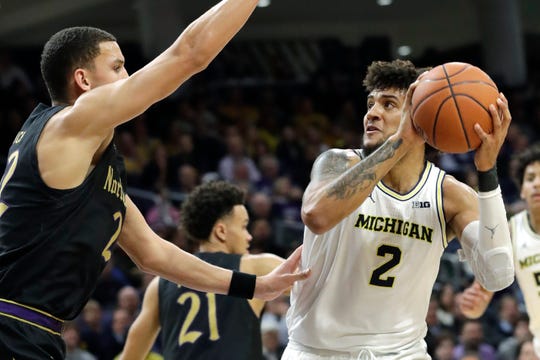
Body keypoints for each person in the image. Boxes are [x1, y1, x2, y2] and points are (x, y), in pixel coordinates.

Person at [0, 1, 310, 358]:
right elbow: (190, 54)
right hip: (12, 324)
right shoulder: (70, 122)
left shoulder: (94, 165)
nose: (129, 77)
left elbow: (155, 255)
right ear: (83, 80)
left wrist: (255, 286)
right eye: (117, 67)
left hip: (34, 330)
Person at [282, 59, 514, 359]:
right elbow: (317, 215)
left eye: (389, 104)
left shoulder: (449, 195)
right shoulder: (339, 164)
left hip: (403, 353)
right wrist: (400, 142)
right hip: (317, 351)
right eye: (370, 104)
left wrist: (487, 170)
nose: (372, 113)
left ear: (421, 115)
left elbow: (498, 275)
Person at [120, 181, 288, 359]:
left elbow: (130, 356)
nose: (249, 236)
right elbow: (312, 279)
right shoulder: (254, 267)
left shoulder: (159, 285)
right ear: (221, 231)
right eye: (244, 226)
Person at [459, 143, 540, 358]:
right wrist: (475, 303)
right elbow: (481, 297)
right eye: (531, 179)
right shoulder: (512, 231)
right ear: (521, 189)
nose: (537, 184)